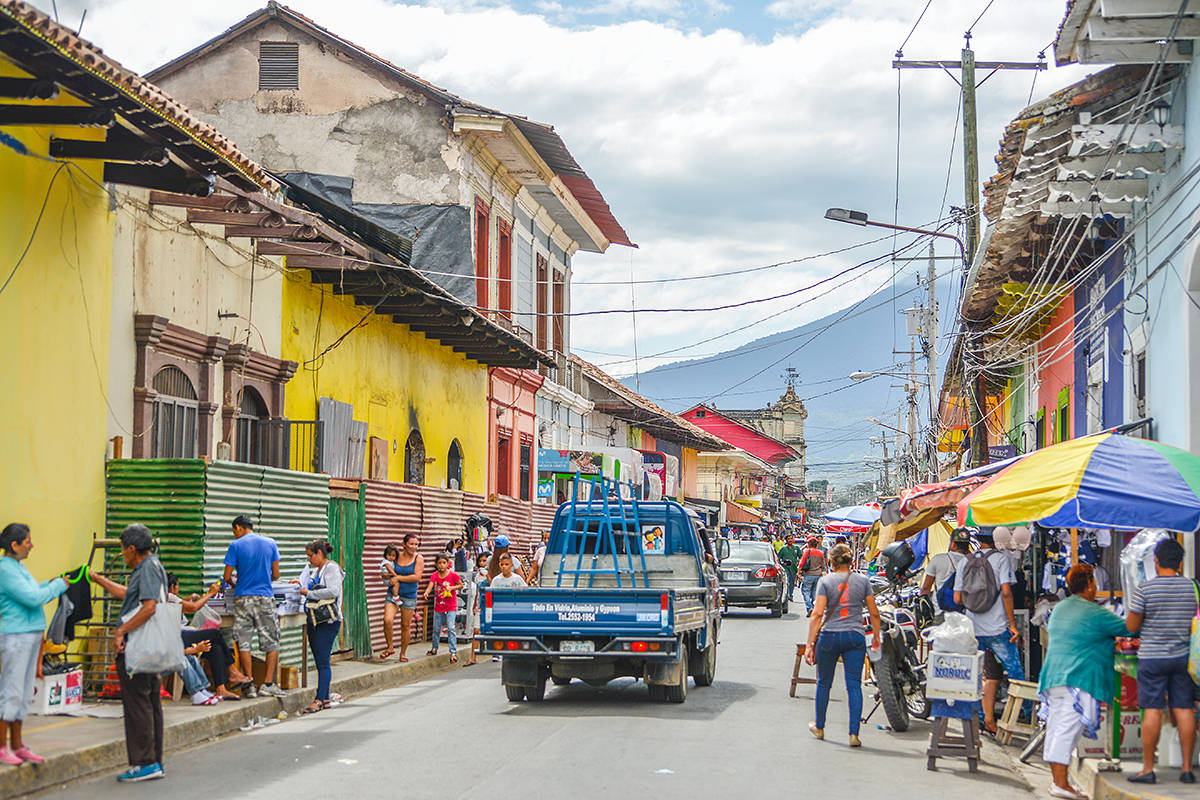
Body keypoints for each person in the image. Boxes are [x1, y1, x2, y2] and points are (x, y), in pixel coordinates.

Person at [1039, 564, 1129, 800]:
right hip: (1074, 678)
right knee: (1066, 731)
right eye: (1094, 583)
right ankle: (1060, 784)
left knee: (1058, 729)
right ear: (1089, 585)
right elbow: (1129, 628)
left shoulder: (1061, 608)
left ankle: (1059, 782)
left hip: (1055, 677)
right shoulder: (1092, 611)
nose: (1096, 587)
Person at [93, 524, 169, 782]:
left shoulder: (146, 568)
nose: (123, 555)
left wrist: (120, 631)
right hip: (149, 645)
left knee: (138, 703)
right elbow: (130, 595)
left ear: (132, 549)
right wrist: (99, 579)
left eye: (123, 550)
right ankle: (154, 760)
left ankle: (145, 762)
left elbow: (149, 607)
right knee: (149, 702)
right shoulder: (152, 566)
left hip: (138, 645)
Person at [1126, 538, 1197, 785]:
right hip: (1183, 658)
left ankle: (1148, 769)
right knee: (1184, 709)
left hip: (1152, 658)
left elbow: (1131, 626)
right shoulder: (1192, 588)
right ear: (1180, 562)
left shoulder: (1145, 589)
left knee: (1153, 710)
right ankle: (1187, 768)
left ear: (1156, 561)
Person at [0, 523, 68, 766]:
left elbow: (33, 590)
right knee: (11, 691)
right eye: (27, 541)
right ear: (14, 545)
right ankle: (1, 746)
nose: (32, 545)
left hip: (29, 635)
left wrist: (49, 584)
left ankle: (17, 745)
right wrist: (57, 586)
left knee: (25, 692)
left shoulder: (19, 567)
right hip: (15, 637)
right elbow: (32, 598)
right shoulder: (4, 570)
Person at [805, 543, 881, 747]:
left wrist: (811, 643)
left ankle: (819, 727)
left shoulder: (826, 581)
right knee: (853, 685)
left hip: (829, 636)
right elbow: (874, 612)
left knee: (824, 683)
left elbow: (817, 614)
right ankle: (854, 734)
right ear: (851, 561)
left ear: (831, 562)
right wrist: (876, 636)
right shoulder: (863, 581)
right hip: (855, 637)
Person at [954, 529, 1024, 735]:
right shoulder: (1001, 560)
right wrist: (1012, 624)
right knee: (1015, 673)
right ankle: (1028, 716)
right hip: (998, 628)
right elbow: (1006, 592)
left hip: (973, 628)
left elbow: (957, 598)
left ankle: (983, 718)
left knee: (982, 675)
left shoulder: (964, 562)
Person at [221, 515, 284, 698]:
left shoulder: (236, 546)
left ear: (239, 528)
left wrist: (236, 584)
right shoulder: (270, 543)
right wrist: (263, 580)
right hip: (265, 597)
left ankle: (249, 684)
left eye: (234, 531)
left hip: (243, 599)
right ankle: (268, 684)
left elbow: (226, 577)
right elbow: (276, 574)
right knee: (271, 641)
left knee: (244, 642)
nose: (235, 535)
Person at [164, 574, 248, 701]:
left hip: (182, 634)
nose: (178, 590)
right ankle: (232, 671)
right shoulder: (168, 596)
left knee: (215, 647)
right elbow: (192, 608)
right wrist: (210, 594)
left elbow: (183, 606)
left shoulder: (165, 598)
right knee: (214, 634)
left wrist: (191, 598)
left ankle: (221, 689)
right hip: (178, 636)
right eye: (177, 587)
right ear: (172, 587)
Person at [294, 540, 343, 715]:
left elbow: (333, 591)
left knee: (322, 663)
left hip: (327, 622)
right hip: (317, 621)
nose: (309, 559)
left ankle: (319, 700)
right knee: (321, 661)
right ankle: (325, 699)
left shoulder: (331, 568)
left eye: (310, 555)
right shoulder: (318, 570)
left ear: (320, 553)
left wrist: (310, 593)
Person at [382, 534, 422, 662]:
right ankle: (390, 647)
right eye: (411, 544)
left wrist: (398, 578)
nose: (414, 547)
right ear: (404, 544)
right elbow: (387, 567)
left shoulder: (418, 558)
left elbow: (416, 577)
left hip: (409, 596)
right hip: (393, 594)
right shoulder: (396, 556)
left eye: (416, 544)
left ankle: (403, 653)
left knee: (405, 626)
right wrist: (386, 576)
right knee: (387, 620)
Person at [424, 553, 463, 663]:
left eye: (444, 563)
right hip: (439, 605)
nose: (441, 565)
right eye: (439, 563)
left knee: (451, 628)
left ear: (448, 564)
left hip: (451, 606)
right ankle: (434, 648)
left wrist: (452, 588)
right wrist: (426, 592)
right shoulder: (435, 575)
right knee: (436, 628)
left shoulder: (453, 575)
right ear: (436, 564)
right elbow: (430, 585)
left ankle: (453, 652)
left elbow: (461, 585)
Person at [921, 528, 971, 613]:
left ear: (953, 543)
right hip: (964, 613)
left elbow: (926, 588)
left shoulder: (938, 559)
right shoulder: (972, 562)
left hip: (940, 611)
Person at [466, 553, 490, 666]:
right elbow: (477, 592)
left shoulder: (493, 574)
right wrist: (475, 605)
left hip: (490, 606)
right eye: (480, 561)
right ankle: (473, 657)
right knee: (476, 632)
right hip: (480, 605)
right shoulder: (477, 576)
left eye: (484, 561)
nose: (482, 563)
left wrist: (488, 575)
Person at [797, 536, 827, 616]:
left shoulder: (807, 551)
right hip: (818, 575)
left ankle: (810, 608)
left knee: (805, 591)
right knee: (814, 592)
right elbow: (822, 565)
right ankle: (814, 608)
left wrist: (798, 573)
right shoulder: (821, 553)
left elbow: (802, 563)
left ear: (809, 544)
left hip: (808, 574)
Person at [776, 534, 802, 604]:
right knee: (787, 582)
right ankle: (787, 595)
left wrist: (800, 563)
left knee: (792, 582)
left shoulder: (796, 548)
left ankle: (791, 594)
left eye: (791, 538)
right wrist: (782, 563)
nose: (790, 540)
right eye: (789, 539)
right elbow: (778, 558)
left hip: (793, 568)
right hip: (786, 568)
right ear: (786, 540)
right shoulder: (783, 548)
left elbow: (801, 556)